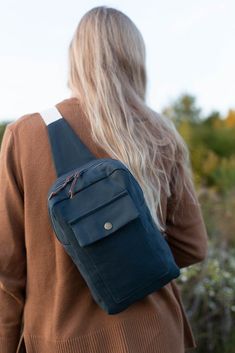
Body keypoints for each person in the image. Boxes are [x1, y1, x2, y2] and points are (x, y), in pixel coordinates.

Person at [0, 6, 208, 353]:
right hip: (156, 336)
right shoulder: (160, 135)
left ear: (75, 59)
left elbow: (6, 273)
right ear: (135, 61)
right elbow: (192, 246)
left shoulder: (25, 135)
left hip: (61, 340)